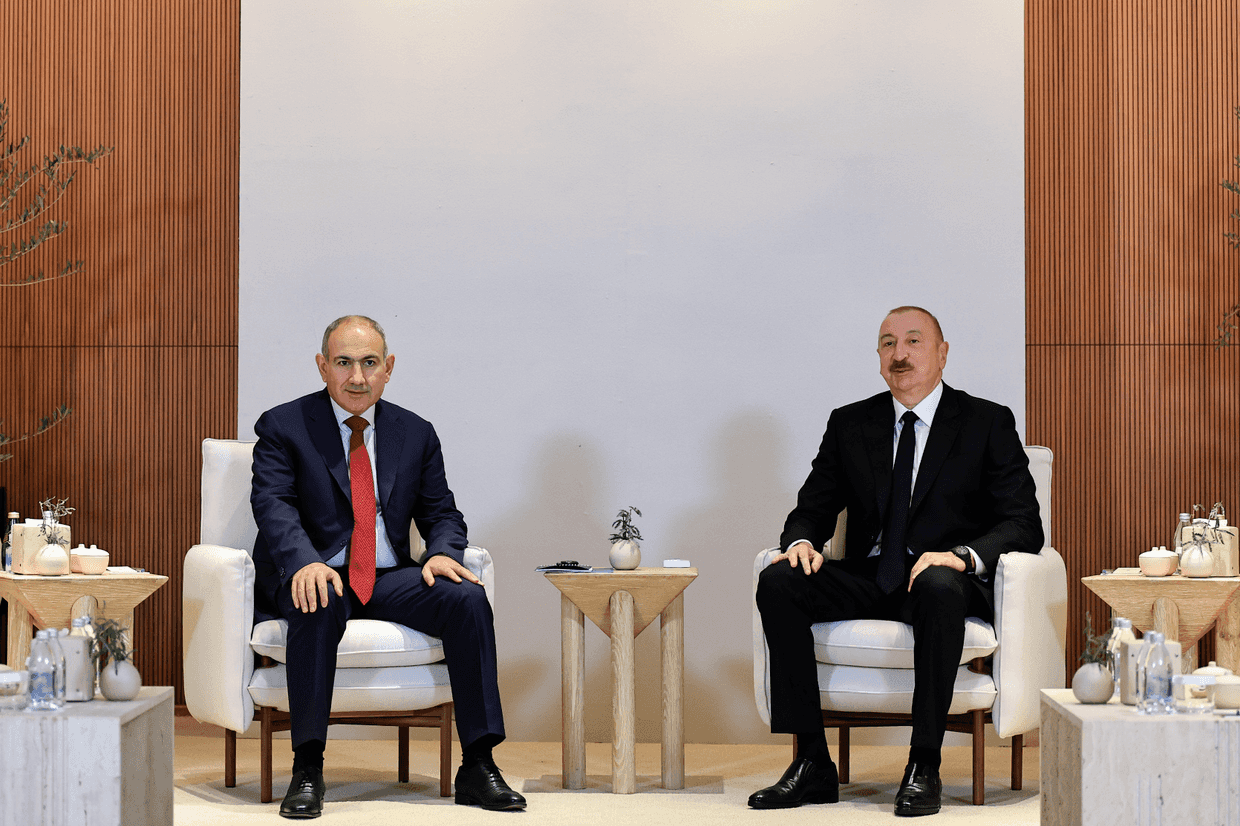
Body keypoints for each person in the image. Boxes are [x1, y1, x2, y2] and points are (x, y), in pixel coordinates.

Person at [749, 306, 1043, 817]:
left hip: (943, 580)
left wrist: (959, 557)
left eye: (913, 341)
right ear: (879, 358)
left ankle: (924, 763)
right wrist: (800, 542)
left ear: (942, 353)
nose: (900, 354)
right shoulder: (851, 423)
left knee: (936, 584)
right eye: (888, 344)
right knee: (778, 582)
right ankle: (813, 763)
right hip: (874, 574)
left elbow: (1024, 524)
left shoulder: (986, 422)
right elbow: (813, 506)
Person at [251, 314, 525, 818]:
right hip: (322, 572)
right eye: (344, 363)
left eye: (369, 363)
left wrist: (443, 551)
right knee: (315, 597)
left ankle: (478, 765)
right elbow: (273, 504)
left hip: (386, 576)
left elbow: (441, 511)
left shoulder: (415, 433)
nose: (357, 377)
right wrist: (304, 563)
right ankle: (308, 767)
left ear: (388, 368)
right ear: (322, 367)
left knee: (466, 598)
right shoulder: (283, 426)